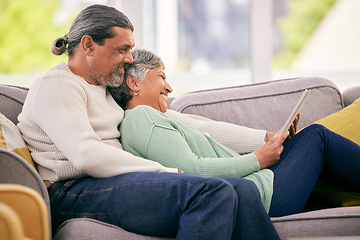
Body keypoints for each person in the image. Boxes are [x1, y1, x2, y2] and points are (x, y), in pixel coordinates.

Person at [17, 4, 280, 239]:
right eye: (122, 49)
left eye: (130, 49)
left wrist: (263, 137)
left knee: (241, 189)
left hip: (109, 182)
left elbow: (175, 118)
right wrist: (163, 170)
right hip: (72, 192)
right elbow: (87, 155)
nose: (130, 59)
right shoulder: (58, 85)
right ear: (88, 45)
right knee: (213, 193)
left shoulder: (106, 85)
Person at [110, 48, 360, 218]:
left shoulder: (152, 119)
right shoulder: (142, 119)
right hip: (261, 197)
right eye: (161, 77)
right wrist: (258, 159)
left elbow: (207, 137)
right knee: (318, 137)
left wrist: (271, 143)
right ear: (134, 83)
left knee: (307, 138)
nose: (169, 86)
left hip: (258, 183)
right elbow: (192, 170)